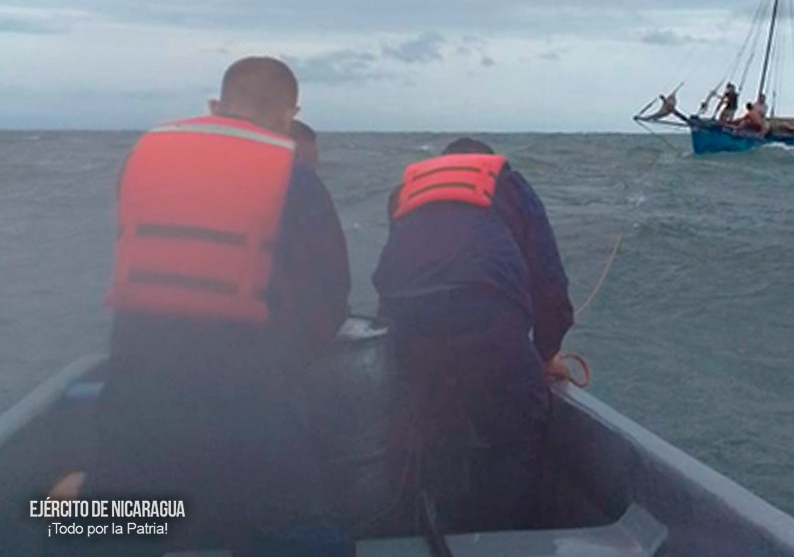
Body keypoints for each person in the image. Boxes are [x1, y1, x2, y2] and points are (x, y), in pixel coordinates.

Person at [88, 57, 351, 552]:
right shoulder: (294, 176)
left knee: (112, 524)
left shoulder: (142, 157)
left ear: (216, 105)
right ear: (288, 118)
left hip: (136, 383)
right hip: (250, 389)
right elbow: (328, 300)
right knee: (302, 529)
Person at [372, 137, 574, 533]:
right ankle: (503, 538)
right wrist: (545, 353)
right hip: (487, 323)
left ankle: (419, 530)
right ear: (491, 163)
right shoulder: (510, 186)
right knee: (518, 425)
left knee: (421, 426)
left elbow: (396, 272)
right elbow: (549, 283)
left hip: (405, 325)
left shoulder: (406, 193)